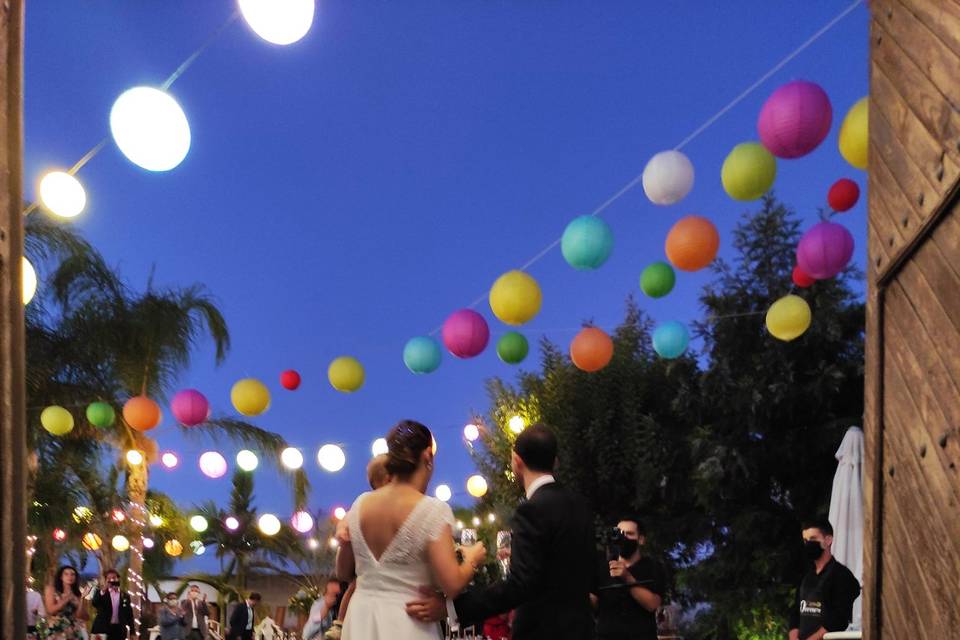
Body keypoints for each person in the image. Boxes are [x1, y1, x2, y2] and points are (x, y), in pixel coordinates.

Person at [410, 423, 596, 640]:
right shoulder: (580, 504)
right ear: (555, 461)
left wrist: (454, 608)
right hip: (583, 630)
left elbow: (521, 584)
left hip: (542, 631)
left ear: (517, 461)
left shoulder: (532, 509)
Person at [335, 420, 486, 640]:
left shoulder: (360, 504)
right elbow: (452, 585)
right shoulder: (432, 510)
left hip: (360, 618)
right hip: (408, 621)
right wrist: (472, 559)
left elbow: (342, 572)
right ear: (427, 456)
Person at [325, 454, 392, 639]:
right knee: (356, 585)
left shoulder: (367, 501)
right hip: (368, 562)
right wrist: (343, 529)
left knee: (355, 586)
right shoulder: (367, 501)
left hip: (376, 561)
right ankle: (339, 622)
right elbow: (347, 520)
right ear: (389, 478)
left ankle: (340, 622)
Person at [593, 517, 666, 640]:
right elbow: (593, 602)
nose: (623, 538)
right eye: (620, 533)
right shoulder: (602, 568)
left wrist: (627, 578)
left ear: (641, 539)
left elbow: (653, 604)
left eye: (629, 534)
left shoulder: (654, 567)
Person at [788, 517, 860, 640]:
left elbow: (839, 618)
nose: (808, 544)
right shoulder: (806, 575)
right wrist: (793, 635)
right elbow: (796, 612)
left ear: (828, 540)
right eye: (805, 540)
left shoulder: (842, 576)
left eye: (813, 539)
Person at [42, 565, 91, 640]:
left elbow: (85, 617)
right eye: (66, 574)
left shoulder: (77, 594)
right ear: (61, 577)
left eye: (72, 574)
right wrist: (66, 599)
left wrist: (81, 600)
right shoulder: (51, 589)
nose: (70, 576)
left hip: (73, 631)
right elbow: (50, 610)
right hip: (57, 630)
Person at [92, 568, 135, 640]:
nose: (111, 580)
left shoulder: (124, 595)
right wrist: (103, 590)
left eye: (114, 578)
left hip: (119, 629)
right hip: (102, 629)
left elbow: (129, 614)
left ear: (118, 579)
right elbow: (95, 603)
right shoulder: (100, 592)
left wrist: (132, 633)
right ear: (106, 580)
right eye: (109, 578)